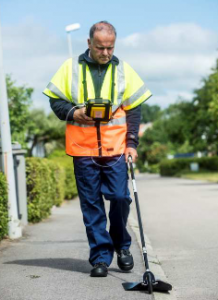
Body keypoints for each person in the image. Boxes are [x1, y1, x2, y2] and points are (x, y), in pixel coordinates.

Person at [43, 21, 152, 277]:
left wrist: (132, 143)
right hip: (83, 150)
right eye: (100, 47)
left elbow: (134, 108)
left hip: (115, 150)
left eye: (110, 48)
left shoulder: (123, 70)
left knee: (120, 197)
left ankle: (121, 245)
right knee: (91, 205)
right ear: (89, 43)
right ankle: (101, 257)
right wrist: (73, 112)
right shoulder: (70, 68)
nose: (105, 53)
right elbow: (55, 100)